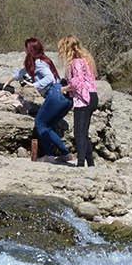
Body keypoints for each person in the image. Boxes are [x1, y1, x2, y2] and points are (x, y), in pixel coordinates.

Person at [12, 37, 70, 163]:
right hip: (64, 97)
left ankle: (49, 155)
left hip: (55, 94)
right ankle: (65, 154)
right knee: (48, 126)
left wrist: (34, 85)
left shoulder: (39, 63)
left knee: (40, 123)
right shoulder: (43, 60)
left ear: (30, 50)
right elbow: (23, 72)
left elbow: (49, 78)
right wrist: (11, 79)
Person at [58, 35, 100, 168]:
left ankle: (81, 163)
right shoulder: (87, 60)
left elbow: (77, 82)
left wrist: (65, 88)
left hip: (84, 99)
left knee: (79, 133)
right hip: (93, 96)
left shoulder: (75, 62)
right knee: (84, 132)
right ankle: (90, 163)